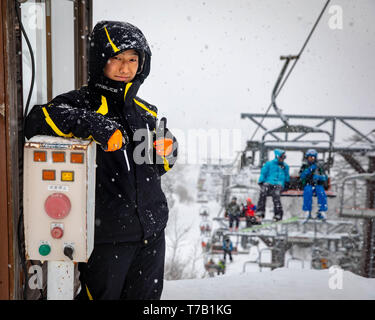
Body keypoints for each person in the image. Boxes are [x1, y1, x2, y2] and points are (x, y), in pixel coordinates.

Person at [24, 21, 178, 300]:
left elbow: (157, 166)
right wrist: (94, 124)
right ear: (100, 61)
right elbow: (38, 120)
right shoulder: (81, 102)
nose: (125, 68)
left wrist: (167, 150)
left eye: (133, 59)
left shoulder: (145, 112)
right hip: (107, 236)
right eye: (116, 58)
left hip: (152, 234)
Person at [256, 149, 290, 222]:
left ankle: (278, 214)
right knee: (263, 191)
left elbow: (286, 175)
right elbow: (263, 173)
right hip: (269, 181)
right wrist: (261, 181)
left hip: (279, 183)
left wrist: (287, 183)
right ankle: (260, 211)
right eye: (281, 157)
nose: (282, 159)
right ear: (277, 157)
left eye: (283, 158)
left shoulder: (285, 166)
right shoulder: (269, 164)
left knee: (276, 194)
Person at [299, 149, 328, 221]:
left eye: (313, 157)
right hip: (308, 183)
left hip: (318, 184)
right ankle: (307, 210)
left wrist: (320, 177)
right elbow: (301, 176)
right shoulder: (304, 166)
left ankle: (322, 210)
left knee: (321, 192)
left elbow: (325, 177)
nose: (311, 159)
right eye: (310, 157)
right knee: (308, 192)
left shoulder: (320, 167)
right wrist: (308, 171)